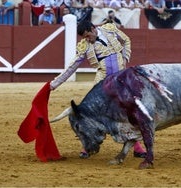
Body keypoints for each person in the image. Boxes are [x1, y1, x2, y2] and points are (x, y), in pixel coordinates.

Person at [50, 19, 147, 158]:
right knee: (93, 113)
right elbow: (72, 67)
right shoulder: (85, 46)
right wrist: (54, 84)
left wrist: (125, 58)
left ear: (93, 28)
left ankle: (137, 147)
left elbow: (126, 40)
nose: (87, 39)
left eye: (88, 35)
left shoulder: (109, 29)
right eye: (84, 37)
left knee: (128, 112)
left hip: (121, 79)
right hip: (102, 82)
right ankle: (86, 146)